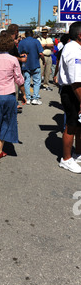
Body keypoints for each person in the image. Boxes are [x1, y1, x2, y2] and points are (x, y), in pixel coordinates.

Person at [57, 22, 81, 173]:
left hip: (76, 91)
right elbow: (76, 81)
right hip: (74, 92)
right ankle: (66, 159)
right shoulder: (73, 50)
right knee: (71, 125)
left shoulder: (75, 48)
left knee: (79, 126)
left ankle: (78, 154)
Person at [18, 29, 45, 105]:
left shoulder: (21, 42)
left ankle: (28, 98)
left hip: (25, 64)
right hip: (35, 64)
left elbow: (19, 53)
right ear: (32, 35)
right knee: (37, 81)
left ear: (25, 35)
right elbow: (40, 53)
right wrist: (43, 60)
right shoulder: (36, 41)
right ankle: (35, 98)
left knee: (26, 81)